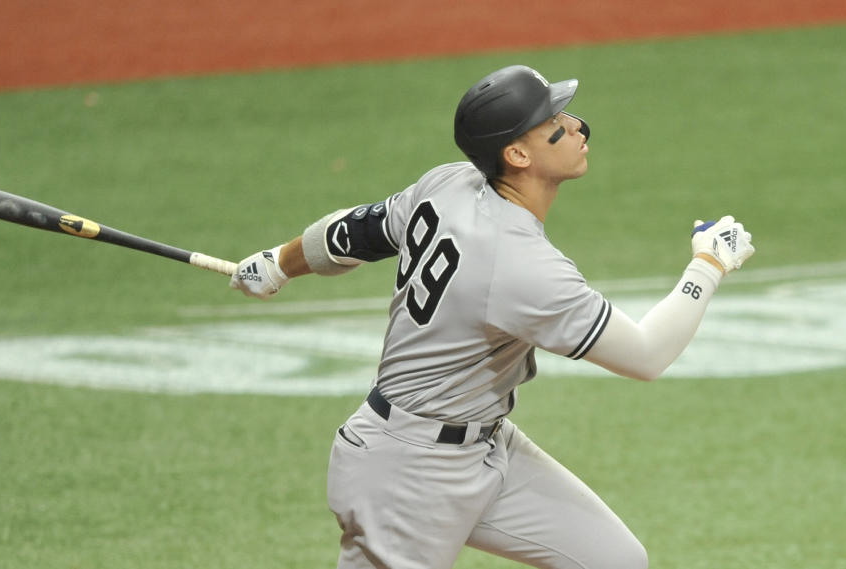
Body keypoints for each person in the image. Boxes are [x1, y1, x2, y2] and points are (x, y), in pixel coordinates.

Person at [229, 64, 755, 569]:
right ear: (518, 154)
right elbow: (646, 355)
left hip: (486, 447)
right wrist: (708, 264)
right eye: (555, 124)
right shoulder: (520, 265)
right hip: (405, 474)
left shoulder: (448, 184)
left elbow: (355, 233)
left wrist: (279, 262)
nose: (576, 127)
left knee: (614, 559)